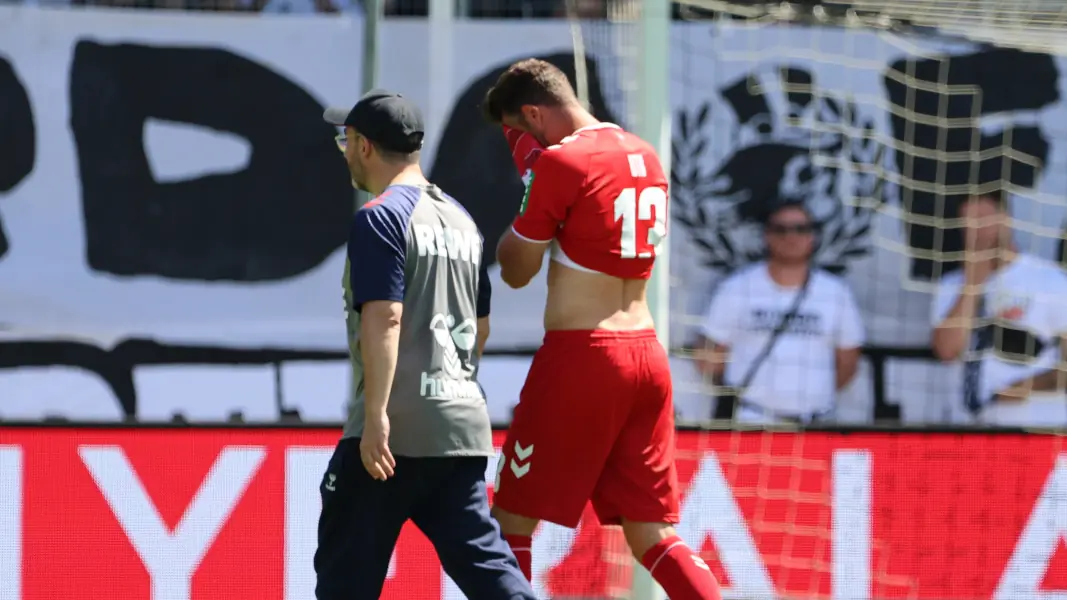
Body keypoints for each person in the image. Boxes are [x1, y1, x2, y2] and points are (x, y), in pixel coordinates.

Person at [482, 59, 723, 600]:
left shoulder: (560, 164)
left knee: (510, 522)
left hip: (584, 356)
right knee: (654, 535)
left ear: (534, 114)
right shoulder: (644, 152)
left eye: (518, 133)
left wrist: (529, 186)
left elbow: (516, 272)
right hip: (646, 354)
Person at [314, 89, 537, 600]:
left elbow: (386, 316)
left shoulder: (380, 216)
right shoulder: (462, 220)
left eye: (344, 140)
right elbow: (480, 328)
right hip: (460, 425)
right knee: (491, 575)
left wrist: (376, 416)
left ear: (364, 146)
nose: (344, 150)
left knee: (344, 579)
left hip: (392, 436)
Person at [695, 202, 865, 424]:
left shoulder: (836, 293)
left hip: (815, 424)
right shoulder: (737, 287)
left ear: (813, 236)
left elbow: (848, 363)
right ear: (767, 235)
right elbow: (709, 359)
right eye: (781, 229)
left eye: (800, 229)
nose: (790, 237)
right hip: (751, 421)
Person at [931, 190, 1067, 427]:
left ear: (1006, 219)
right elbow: (947, 350)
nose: (977, 232)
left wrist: (1022, 389)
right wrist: (973, 283)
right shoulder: (951, 286)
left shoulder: (1051, 281)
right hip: (971, 432)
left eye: (983, 221)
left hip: (1039, 430)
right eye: (968, 225)